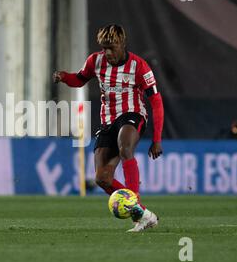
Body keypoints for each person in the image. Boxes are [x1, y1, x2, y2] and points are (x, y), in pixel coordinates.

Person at [53, 24, 164, 232]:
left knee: (125, 148)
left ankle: (133, 204)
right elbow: (80, 79)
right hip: (108, 121)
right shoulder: (95, 61)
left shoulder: (139, 66)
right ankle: (143, 214)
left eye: (111, 48)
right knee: (102, 178)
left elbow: (156, 102)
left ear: (122, 44)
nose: (107, 53)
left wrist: (157, 139)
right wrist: (65, 76)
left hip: (133, 115)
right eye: (104, 48)